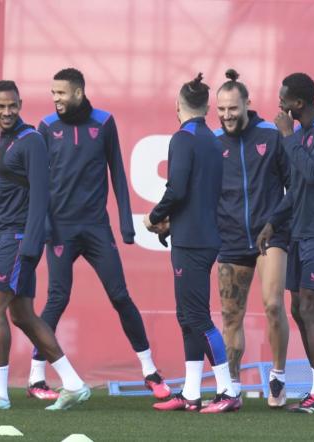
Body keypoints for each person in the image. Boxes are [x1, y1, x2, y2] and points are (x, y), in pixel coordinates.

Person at [28, 68, 169, 400]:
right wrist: (46, 226)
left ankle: (150, 371)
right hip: (60, 229)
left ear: (78, 92)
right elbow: (39, 182)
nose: (56, 99)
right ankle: (36, 378)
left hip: (96, 228)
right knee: (57, 299)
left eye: (61, 93)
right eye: (53, 93)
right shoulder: (47, 127)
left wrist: (126, 224)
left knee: (120, 296)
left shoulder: (104, 123)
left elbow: (117, 172)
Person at [0, 80, 90, 411]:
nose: (7, 112)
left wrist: (32, 243)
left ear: (20, 104)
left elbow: (40, 195)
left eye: (12, 106)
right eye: (0, 107)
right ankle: (75, 384)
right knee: (21, 315)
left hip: (21, 238)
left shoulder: (32, 140)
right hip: (6, 237)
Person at [144, 73, 240, 413]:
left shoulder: (183, 139)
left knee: (197, 317)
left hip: (194, 241)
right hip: (199, 234)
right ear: (208, 107)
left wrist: (155, 217)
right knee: (187, 316)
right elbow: (195, 193)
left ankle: (228, 391)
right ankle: (191, 392)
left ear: (178, 106)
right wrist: (172, 221)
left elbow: (178, 189)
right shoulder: (213, 140)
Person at [257, 73, 314, 413]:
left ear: (298, 103)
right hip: (300, 232)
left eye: (283, 99)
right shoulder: (302, 135)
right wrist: (272, 222)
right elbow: (296, 188)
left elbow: (313, 172)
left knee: (310, 306)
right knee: (297, 308)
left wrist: (286, 136)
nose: (279, 105)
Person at [213, 69, 291, 408]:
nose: (228, 115)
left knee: (273, 304)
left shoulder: (271, 136)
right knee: (231, 317)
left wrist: (274, 221)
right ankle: (232, 387)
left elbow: (294, 186)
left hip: (269, 235)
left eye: (233, 108)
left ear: (247, 103)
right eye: (222, 110)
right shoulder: (213, 144)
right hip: (229, 239)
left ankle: (278, 377)